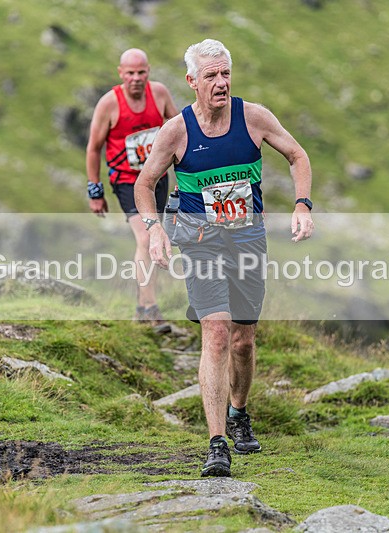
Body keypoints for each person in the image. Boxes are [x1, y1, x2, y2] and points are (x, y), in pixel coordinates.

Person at [135, 39, 314, 477]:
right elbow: (144, 184)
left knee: (243, 340)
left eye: (225, 74)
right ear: (192, 81)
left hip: (248, 240)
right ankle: (217, 443)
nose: (220, 82)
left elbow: (297, 155)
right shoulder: (176, 131)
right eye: (211, 75)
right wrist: (155, 227)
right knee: (216, 331)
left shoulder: (253, 117)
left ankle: (238, 412)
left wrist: (302, 204)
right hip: (200, 241)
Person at [86, 48, 178, 325]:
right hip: (127, 181)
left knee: (157, 238)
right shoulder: (109, 103)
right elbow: (93, 148)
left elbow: (179, 129)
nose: (136, 78)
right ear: (121, 73)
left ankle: (142, 305)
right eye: (130, 73)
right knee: (146, 237)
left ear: (148, 71)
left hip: (157, 178)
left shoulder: (159, 94)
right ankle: (149, 308)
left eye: (141, 72)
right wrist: (95, 191)